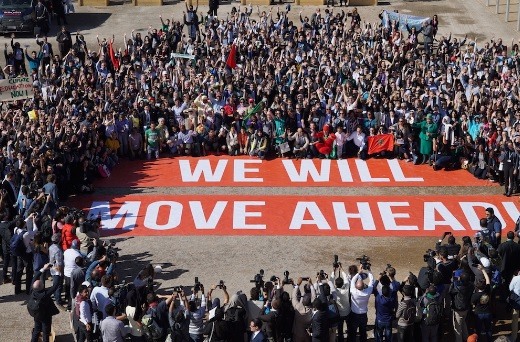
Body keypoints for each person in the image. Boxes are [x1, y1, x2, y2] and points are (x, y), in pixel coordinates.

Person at [29, 263, 60, 342]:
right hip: (45, 315)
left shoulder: (32, 290)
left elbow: (35, 277)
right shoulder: (44, 294)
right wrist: (57, 272)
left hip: (37, 314)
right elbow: (55, 286)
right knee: (46, 332)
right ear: (41, 287)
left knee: (36, 330)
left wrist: (43, 268)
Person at [348, 264, 373, 342]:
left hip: (354, 314)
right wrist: (369, 271)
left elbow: (352, 281)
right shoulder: (368, 292)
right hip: (363, 315)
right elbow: (371, 280)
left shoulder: (353, 291)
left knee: (353, 332)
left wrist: (359, 272)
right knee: (363, 332)